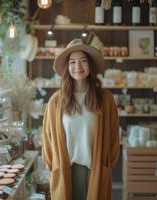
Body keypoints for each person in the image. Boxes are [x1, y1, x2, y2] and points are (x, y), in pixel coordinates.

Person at [42, 38, 120, 200]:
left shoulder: (106, 99)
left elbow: (113, 137)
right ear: (67, 67)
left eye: (83, 61)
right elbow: (47, 139)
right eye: (72, 62)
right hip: (66, 170)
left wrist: (106, 164)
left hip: (96, 170)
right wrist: (54, 165)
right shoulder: (56, 101)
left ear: (90, 65)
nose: (78, 67)